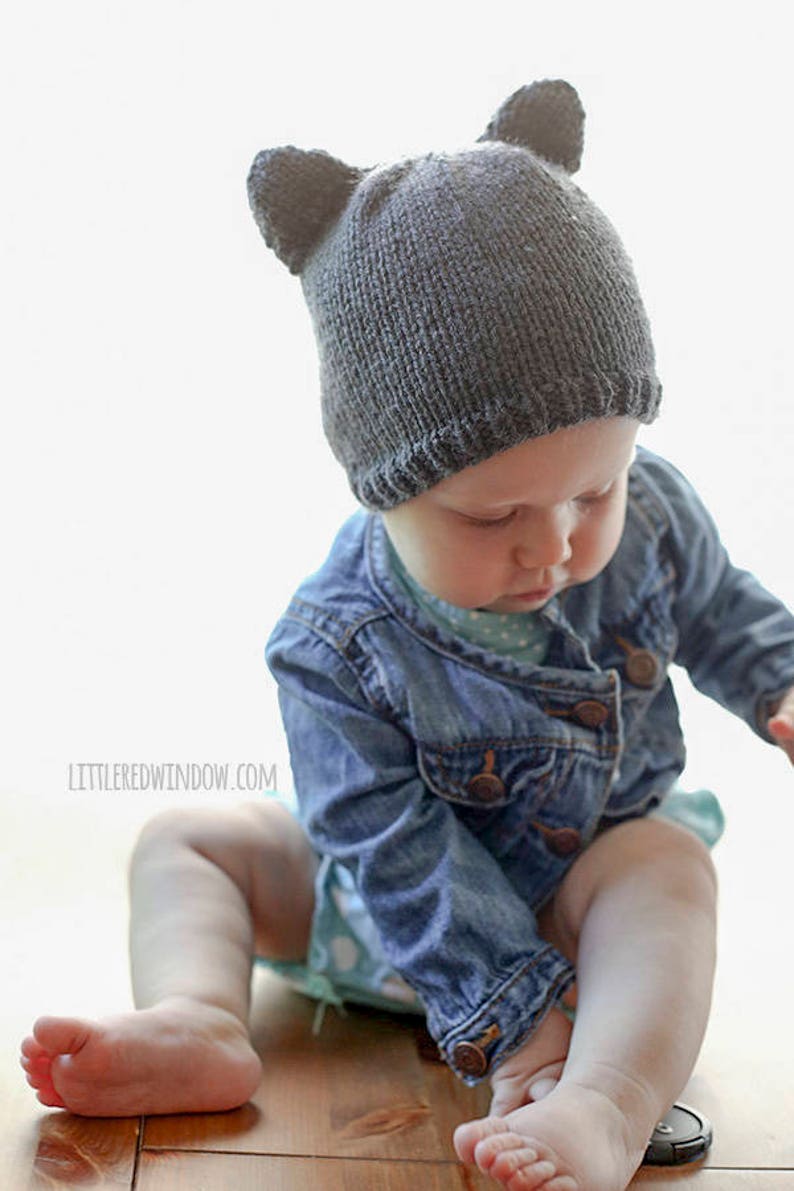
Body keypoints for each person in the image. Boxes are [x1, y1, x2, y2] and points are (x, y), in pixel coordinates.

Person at [20, 80, 794, 1191]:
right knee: (188, 836)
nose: (555, 546)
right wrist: (515, 1014)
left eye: (596, 489)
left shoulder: (653, 515)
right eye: (492, 517)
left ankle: (606, 1099)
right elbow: (378, 843)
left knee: (665, 866)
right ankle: (198, 1017)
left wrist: (776, 680)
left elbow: (724, 608)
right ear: (382, 490)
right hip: (381, 910)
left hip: (579, 905)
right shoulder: (334, 642)